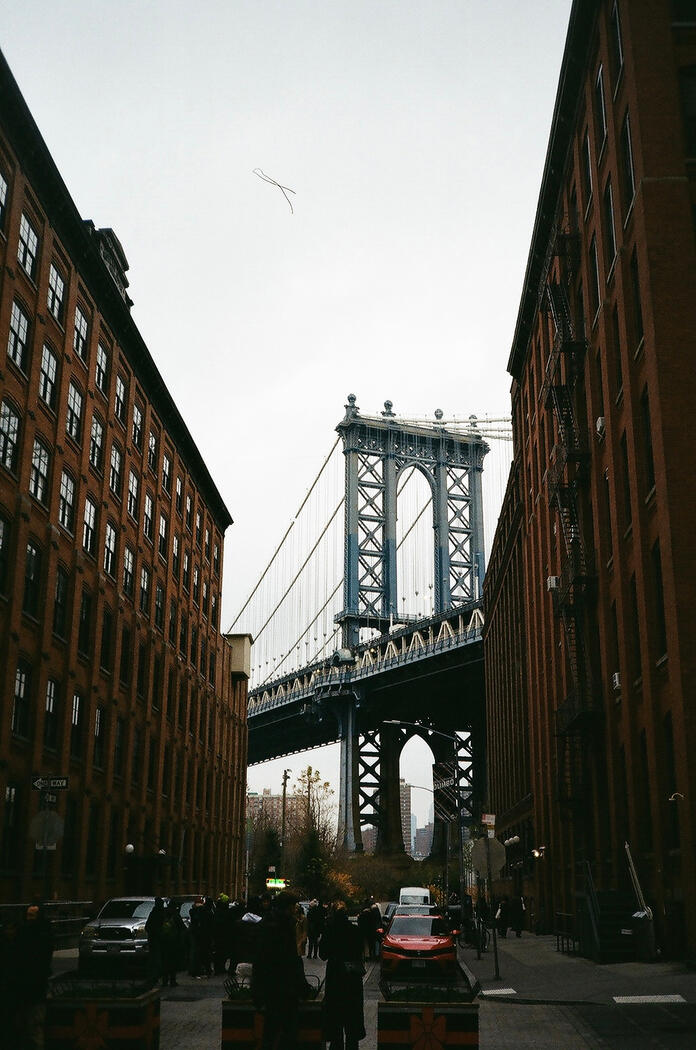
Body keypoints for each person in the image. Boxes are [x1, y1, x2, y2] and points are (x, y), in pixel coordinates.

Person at [253, 892, 306, 1050]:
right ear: (289, 907)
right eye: (294, 905)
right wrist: (301, 984)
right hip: (286, 987)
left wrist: (257, 989)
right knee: (289, 1033)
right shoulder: (286, 925)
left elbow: (259, 958)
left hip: (270, 986)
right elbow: (292, 959)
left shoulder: (266, 923)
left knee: (270, 1032)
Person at [319, 901, 365, 1050]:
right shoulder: (356, 931)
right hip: (352, 979)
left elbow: (323, 955)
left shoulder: (329, 931)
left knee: (335, 1018)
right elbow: (360, 952)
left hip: (335, 978)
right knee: (352, 1018)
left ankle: (336, 1043)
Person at [9, 902, 54, 1050]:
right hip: (27, 989)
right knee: (28, 1028)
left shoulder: (35, 935)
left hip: (33, 990)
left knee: (33, 1027)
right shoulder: (38, 934)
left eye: (32, 916)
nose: (30, 919)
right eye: (29, 915)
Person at [160, 900, 187, 986]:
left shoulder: (163, 915)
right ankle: (172, 980)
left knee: (165, 962)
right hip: (173, 942)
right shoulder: (176, 915)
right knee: (172, 962)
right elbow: (183, 928)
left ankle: (164, 981)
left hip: (164, 942)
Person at [145, 897, 165, 982]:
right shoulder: (160, 913)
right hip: (157, 939)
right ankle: (156, 975)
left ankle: (155, 976)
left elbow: (148, 927)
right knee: (157, 958)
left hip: (155, 938)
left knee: (154, 958)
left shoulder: (154, 913)